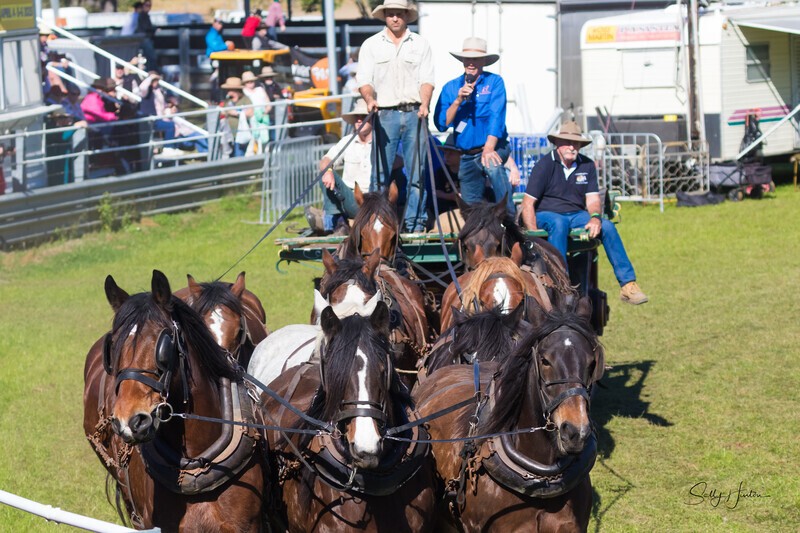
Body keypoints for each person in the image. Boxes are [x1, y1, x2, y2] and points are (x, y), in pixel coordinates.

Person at [521, 121, 649, 305]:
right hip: (547, 214)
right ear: (557, 143)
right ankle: (561, 282)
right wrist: (534, 236)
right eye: (567, 142)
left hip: (576, 214)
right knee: (559, 223)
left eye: (576, 143)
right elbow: (528, 203)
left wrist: (596, 217)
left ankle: (628, 285)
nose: (572, 147)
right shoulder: (544, 165)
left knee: (608, 226)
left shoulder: (587, 165)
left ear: (581, 145)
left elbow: (593, 199)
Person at [357, 0, 434, 233]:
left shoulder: (420, 44)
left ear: (406, 16)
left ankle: (415, 224)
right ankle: (375, 223)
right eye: (391, 14)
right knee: (379, 174)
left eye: (399, 14)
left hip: (414, 112)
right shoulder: (371, 45)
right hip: (385, 113)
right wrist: (370, 100)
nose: (395, 18)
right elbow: (364, 81)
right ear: (385, 17)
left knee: (416, 174)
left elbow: (427, 79)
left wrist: (425, 104)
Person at [434, 37, 514, 217]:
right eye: (467, 59)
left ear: (484, 61)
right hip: (467, 154)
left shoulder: (495, 82)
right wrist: (458, 100)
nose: (471, 63)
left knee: (493, 166)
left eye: (476, 59)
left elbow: (497, 116)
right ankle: (475, 232)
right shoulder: (450, 87)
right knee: (469, 207)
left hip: (494, 146)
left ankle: (510, 219)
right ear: (462, 60)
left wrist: (489, 148)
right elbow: (441, 124)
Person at [313, 100, 373, 234]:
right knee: (325, 172)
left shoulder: (383, 142)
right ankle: (336, 222)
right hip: (350, 198)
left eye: (363, 117)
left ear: (372, 119)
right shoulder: (347, 141)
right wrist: (328, 170)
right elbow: (325, 160)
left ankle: (333, 223)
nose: (359, 120)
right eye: (356, 118)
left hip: (373, 200)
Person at [138, 71, 175, 145]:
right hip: (150, 120)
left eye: (156, 80)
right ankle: (168, 147)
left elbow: (162, 104)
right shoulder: (146, 91)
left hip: (160, 117)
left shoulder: (158, 90)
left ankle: (174, 146)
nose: (156, 82)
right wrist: (151, 77)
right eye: (154, 80)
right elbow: (142, 88)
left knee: (176, 123)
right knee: (170, 126)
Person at [220, 77, 253, 157]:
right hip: (229, 134)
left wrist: (236, 113)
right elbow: (222, 111)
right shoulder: (227, 100)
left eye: (230, 89)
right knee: (231, 155)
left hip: (241, 133)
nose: (228, 92)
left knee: (239, 154)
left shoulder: (245, 99)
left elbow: (251, 112)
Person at [241, 71, 271, 151]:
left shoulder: (260, 89)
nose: (250, 83)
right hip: (251, 119)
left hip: (263, 117)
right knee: (253, 138)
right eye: (247, 82)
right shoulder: (243, 92)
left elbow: (268, 103)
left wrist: (265, 112)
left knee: (265, 138)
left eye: (251, 81)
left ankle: (265, 155)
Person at [135, 1, 157, 69]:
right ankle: (152, 71)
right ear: (143, 6)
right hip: (144, 40)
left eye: (149, 6)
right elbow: (146, 27)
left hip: (145, 39)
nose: (148, 7)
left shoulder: (145, 15)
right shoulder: (142, 15)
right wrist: (154, 29)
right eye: (146, 5)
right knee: (150, 58)